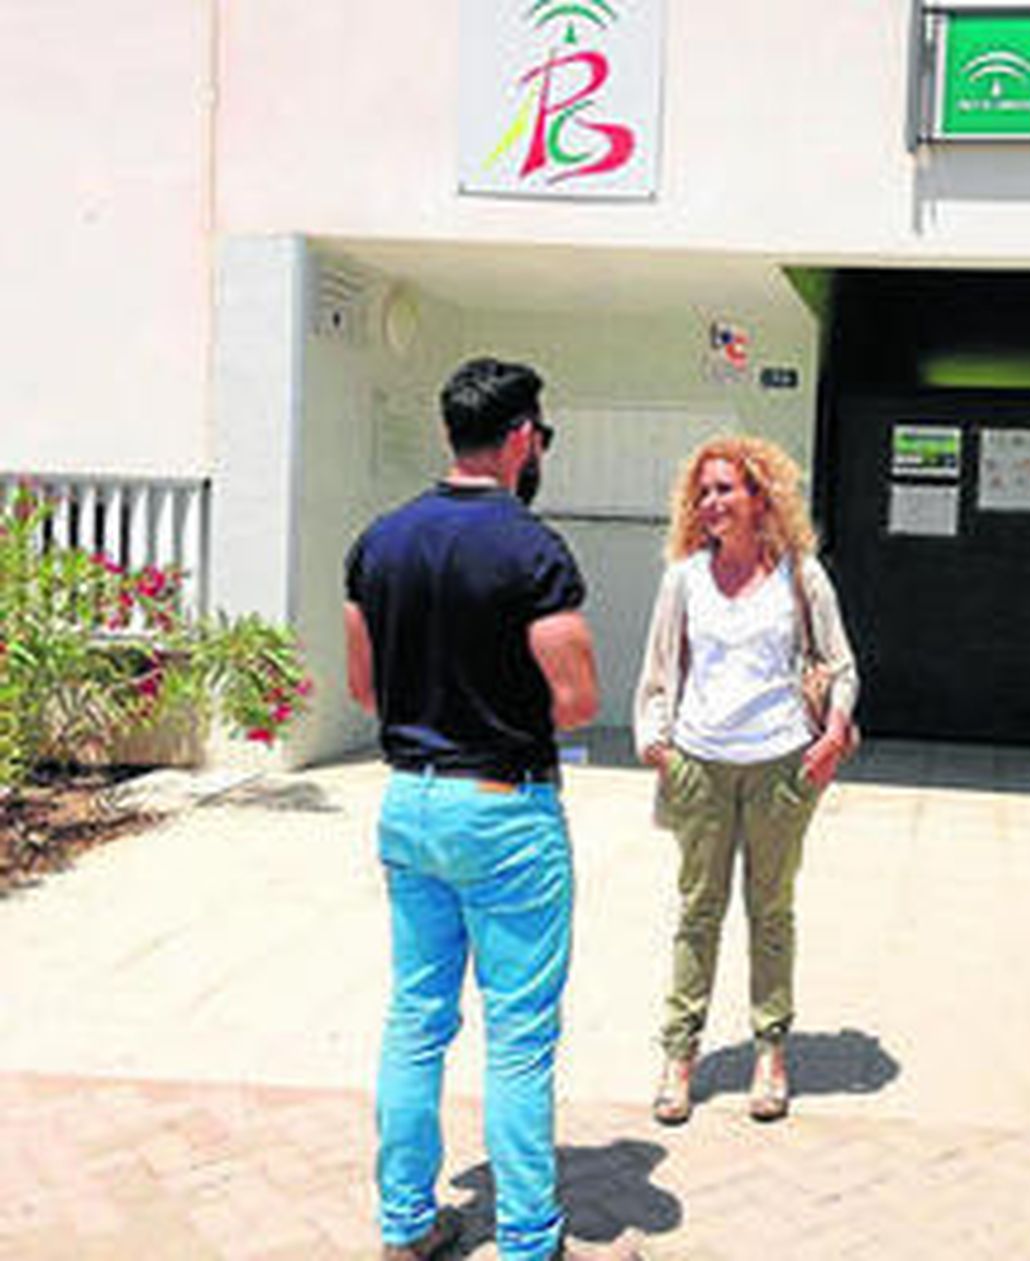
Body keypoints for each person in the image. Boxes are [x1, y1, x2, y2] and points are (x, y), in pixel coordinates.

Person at [344, 358, 620, 1261]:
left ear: (448, 432)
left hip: (409, 801)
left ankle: (406, 1224)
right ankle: (531, 1240)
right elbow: (577, 700)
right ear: (522, 437)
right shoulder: (532, 550)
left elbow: (365, 688)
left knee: (416, 1019)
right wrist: (500, 711)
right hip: (502, 805)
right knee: (519, 1036)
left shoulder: (378, 542)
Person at [633, 435, 859, 1126]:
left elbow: (841, 666)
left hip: (781, 767)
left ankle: (771, 1051)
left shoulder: (801, 576)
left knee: (771, 912)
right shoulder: (684, 579)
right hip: (699, 766)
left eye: (725, 489)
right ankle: (679, 1057)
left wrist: (831, 734)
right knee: (698, 913)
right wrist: (658, 745)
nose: (711, 502)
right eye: (702, 492)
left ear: (761, 496)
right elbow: (659, 669)